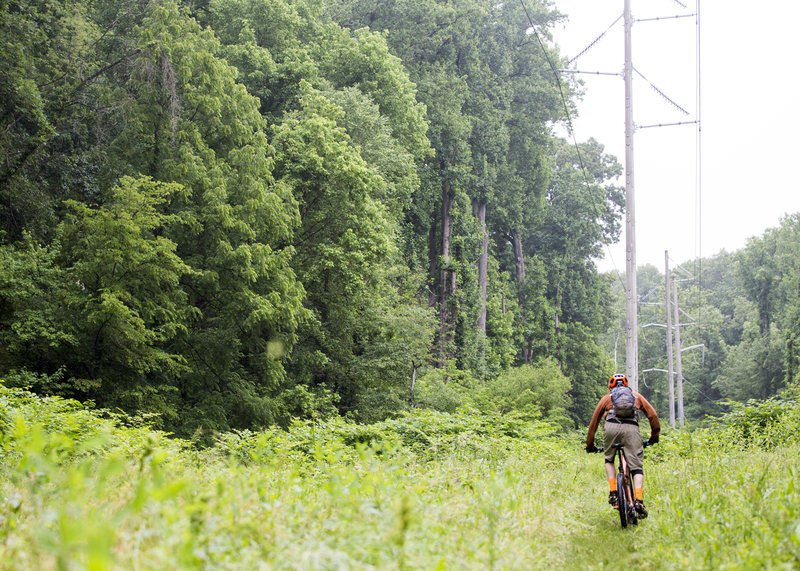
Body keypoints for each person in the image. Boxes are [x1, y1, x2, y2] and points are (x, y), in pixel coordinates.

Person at [585, 374, 660, 518]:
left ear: (611, 386)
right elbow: (653, 416)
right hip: (631, 429)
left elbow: (594, 422)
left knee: (609, 459)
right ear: (626, 385)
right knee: (636, 468)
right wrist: (653, 437)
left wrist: (590, 445)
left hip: (611, 427)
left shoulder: (607, 398)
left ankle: (613, 493)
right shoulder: (636, 396)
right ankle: (638, 501)